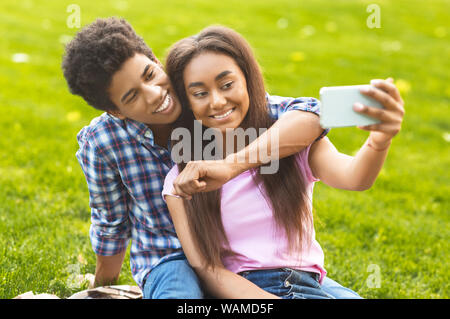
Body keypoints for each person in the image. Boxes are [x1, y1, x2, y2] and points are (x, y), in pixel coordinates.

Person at [61, 18, 328, 298]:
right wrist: (101, 288)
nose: (154, 95)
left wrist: (230, 165)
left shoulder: (202, 97)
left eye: (150, 74)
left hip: (236, 255)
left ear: (155, 59)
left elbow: (310, 114)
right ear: (116, 111)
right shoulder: (103, 142)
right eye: (132, 96)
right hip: (168, 255)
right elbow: (111, 223)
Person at [162, 26, 405, 298]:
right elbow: (207, 269)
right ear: (188, 103)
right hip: (253, 291)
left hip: (310, 283)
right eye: (200, 93)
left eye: (227, 85)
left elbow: (355, 178)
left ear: (248, 81)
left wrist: (379, 141)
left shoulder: (291, 145)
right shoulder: (181, 181)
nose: (217, 101)